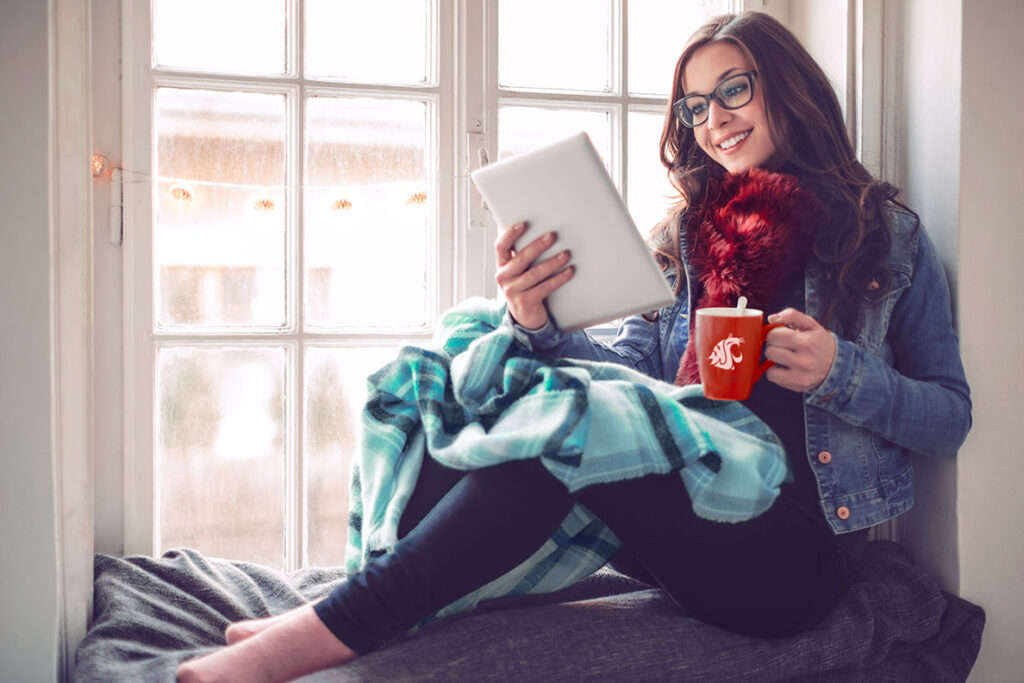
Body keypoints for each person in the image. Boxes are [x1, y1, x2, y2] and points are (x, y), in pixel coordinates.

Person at [177, 11, 971, 682]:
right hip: (684, 524)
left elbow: (949, 415)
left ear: (789, 90)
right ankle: (365, 601)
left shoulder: (883, 237)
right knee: (486, 355)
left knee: (573, 432)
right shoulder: (687, 243)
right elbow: (626, 382)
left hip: (791, 555)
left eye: (734, 89)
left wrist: (844, 374)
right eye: (695, 106)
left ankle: (335, 625)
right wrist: (535, 320)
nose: (714, 118)